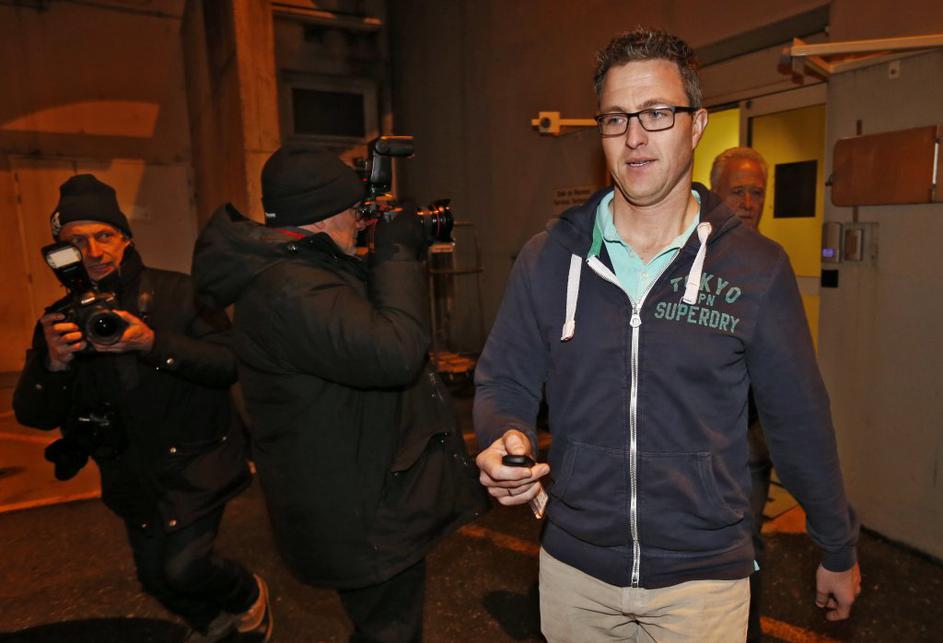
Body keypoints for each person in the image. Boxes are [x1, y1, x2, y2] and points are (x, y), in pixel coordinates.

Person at [474, 28, 861, 642]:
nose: (634, 137)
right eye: (615, 118)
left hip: (702, 583)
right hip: (575, 573)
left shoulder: (754, 268)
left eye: (656, 113)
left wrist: (836, 545)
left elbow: (798, 420)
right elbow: (504, 380)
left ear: (697, 124)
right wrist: (506, 434)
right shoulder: (549, 258)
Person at [191, 145, 488, 643]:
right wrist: (396, 252)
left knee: (383, 627)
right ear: (325, 215)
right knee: (389, 631)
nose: (360, 221)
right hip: (360, 514)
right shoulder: (291, 289)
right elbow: (395, 351)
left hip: (356, 493)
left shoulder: (302, 272)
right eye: (355, 211)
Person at [13, 174, 271, 643]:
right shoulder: (58, 320)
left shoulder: (180, 293)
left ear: (126, 239)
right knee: (155, 579)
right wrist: (52, 364)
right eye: (77, 241)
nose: (94, 252)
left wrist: (153, 343)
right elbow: (34, 415)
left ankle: (247, 595)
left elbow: (230, 363)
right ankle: (215, 626)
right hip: (130, 473)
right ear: (61, 251)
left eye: (105, 236)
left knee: (184, 566)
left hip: (196, 460)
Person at [711, 146, 773, 642]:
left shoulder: (769, 266)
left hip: (751, 437)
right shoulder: (690, 259)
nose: (749, 203)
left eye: (757, 193)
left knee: (746, 545)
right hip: (700, 437)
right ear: (714, 193)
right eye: (738, 192)